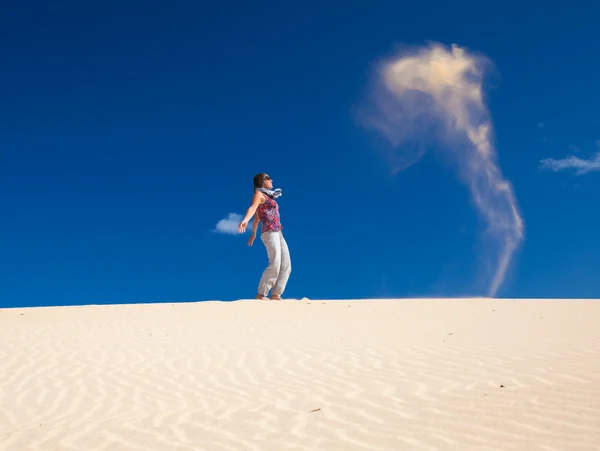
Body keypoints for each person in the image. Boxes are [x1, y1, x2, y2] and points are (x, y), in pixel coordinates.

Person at [237, 173, 291, 300]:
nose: (271, 180)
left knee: (286, 264)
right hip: (269, 232)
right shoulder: (259, 194)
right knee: (275, 262)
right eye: (268, 178)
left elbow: (257, 218)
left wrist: (253, 234)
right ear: (261, 181)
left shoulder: (269, 197)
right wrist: (245, 220)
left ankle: (276, 294)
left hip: (278, 232)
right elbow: (253, 208)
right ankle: (261, 294)